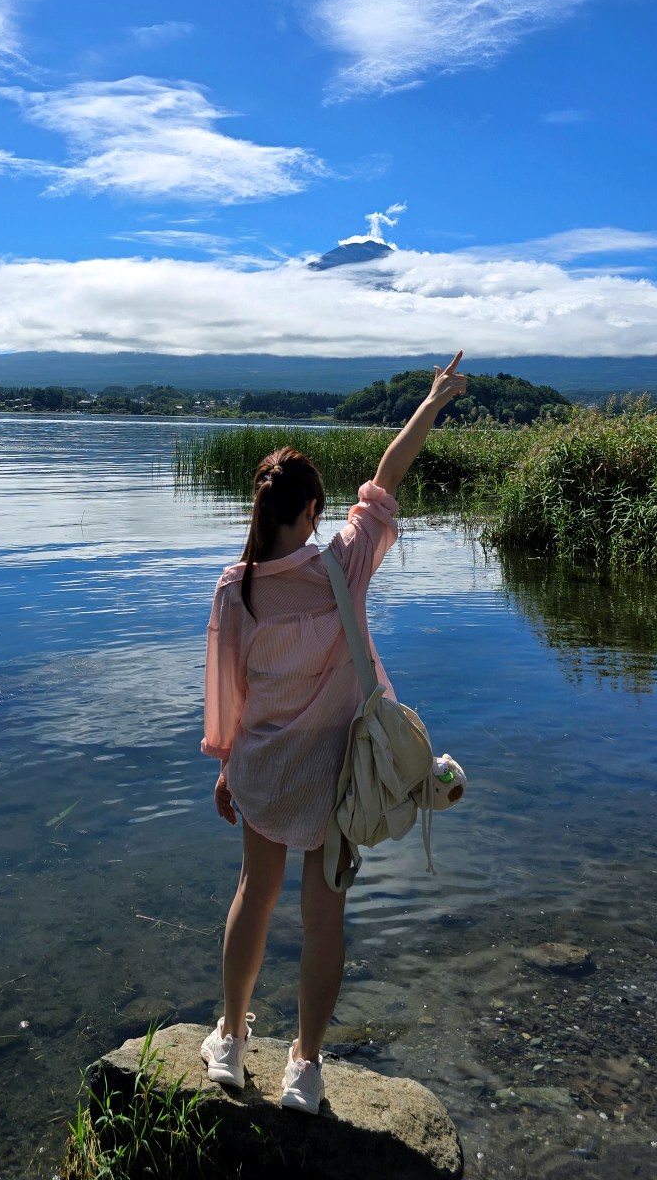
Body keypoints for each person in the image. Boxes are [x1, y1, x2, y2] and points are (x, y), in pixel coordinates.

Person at [198, 353, 467, 1115]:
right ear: (312, 509)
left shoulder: (235, 588)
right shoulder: (344, 564)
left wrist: (226, 766)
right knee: (326, 917)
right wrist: (433, 399)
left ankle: (229, 1039)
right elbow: (386, 480)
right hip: (338, 773)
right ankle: (306, 1069)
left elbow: (229, 695)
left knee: (255, 893)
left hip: (265, 768)